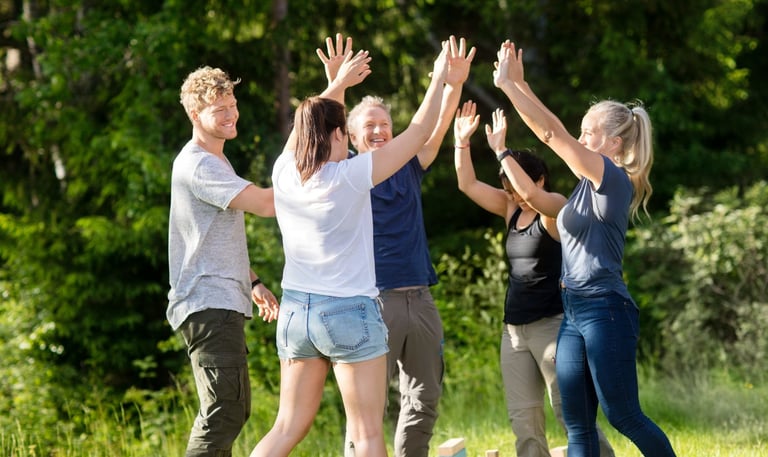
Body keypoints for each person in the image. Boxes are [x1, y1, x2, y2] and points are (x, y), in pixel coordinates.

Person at [249, 34, 456, 457]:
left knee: (286, 427)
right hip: (346, 311)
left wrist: (337, 84)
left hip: (294, 312)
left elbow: (304, 127)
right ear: (340, 136)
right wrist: (437, 79)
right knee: (366, 436)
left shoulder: (284, 170)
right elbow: (418, 134)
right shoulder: (349, 176)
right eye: (344, 132)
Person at [492, 41, 677, 457]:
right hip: (573, 310)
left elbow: (550, 132)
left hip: (605, 309)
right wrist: (509, 115)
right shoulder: (582, 189)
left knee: (624, 415)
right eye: (580, 131)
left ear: (612, 143)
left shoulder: (609, 177)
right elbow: (539, 189)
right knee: (577, 424)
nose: (579, 139)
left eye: (588, 133)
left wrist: (512, 85)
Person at [452, 103, 616, 457]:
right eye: (505, 187)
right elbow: (465, 184)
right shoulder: (511, 209)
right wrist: (461, 143)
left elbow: (530, 196)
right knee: (524, 421)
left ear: (537, 179)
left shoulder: (555, 208)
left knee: (567, 411)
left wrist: (501, 150)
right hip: (513, 332)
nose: (511, 194)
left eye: (514, 185)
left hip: (553, 326)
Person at [343, 36, 475, 457]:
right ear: (352, 138)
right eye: (370, 126)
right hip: (373, 301)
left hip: (420, 297)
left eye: (384, 124)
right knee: (367, 409)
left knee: (424, 397)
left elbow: (430, 133)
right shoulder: (348, 172)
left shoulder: (409, 167)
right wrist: (436, 80)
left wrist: (453, 85)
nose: (380, 131)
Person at [168, 66, 281, 457]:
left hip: (220, 300)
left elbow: (208, 241)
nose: (231, 114)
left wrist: (252, 282)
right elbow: (267, 204)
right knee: (224, 412)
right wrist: (319, 184)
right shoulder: (200, 164)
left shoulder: (215, 162)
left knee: (233, 409)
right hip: (207, 305)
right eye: (220, 109)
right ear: (195, 116)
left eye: (232, 104)